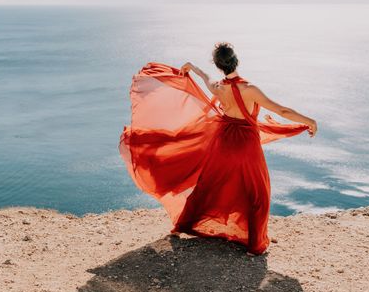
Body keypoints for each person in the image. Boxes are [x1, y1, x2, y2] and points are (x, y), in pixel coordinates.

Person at [118, 42, 317, 255]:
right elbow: (283, 111)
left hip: (222, 144)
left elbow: (206, 78)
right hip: (246, 147)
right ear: (236, 60)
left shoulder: (218, 88)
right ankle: (254, 246)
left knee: (208, 187)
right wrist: (310, 121)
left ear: (219, 65)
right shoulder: (249, 89)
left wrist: (192, 67)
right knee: (257, 192)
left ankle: (182, 227)